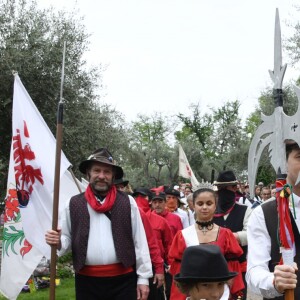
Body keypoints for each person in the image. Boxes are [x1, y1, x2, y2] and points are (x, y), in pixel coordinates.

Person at [45, 148, 152, 300]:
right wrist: (58, 241)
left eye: (107, 172)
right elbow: (67, 241)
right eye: (97, 170)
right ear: (88, 173)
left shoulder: (128, 202)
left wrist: (143, 278)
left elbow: (140, 242)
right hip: (87, 283)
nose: (101, 176)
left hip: (124, 282)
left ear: (113, 176)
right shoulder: (73, 204)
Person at [169, 188, 244, 300]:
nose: (204, 207)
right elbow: (179, 272)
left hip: (219, 293)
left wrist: (233, 293)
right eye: (200, 203)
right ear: (193, 205)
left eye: (209, 203)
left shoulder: (226, 234)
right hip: (193, 293)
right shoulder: (182, 235)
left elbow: (232, 268)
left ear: (215, 206)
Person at [246, 141, 300, 299]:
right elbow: (254, 272)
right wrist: (274, 282)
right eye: (299, 157)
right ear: (284, 163)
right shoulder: (264, 213)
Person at [213, 170, 252, 299]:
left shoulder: (245, 210)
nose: (222, 191)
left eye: (226, 188)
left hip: (238, 268)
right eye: (220, 188)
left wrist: (227, 237)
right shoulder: (211, 211)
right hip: (214, 269)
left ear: (235, 188)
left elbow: (250, 234)